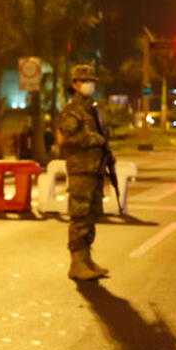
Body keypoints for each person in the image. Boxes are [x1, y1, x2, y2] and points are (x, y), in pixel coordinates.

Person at [57, 64, 110, 281]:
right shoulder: (72, 111)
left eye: (92, 81)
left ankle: (87, 259)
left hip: (95, 169)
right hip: (81, 170)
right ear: (75, 84)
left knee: (91, 214)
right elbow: (66, 140)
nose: (89, 85)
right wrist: (94, 139)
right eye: (85, 81)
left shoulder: (93, 109)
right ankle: (76, 263)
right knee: (79, 215)